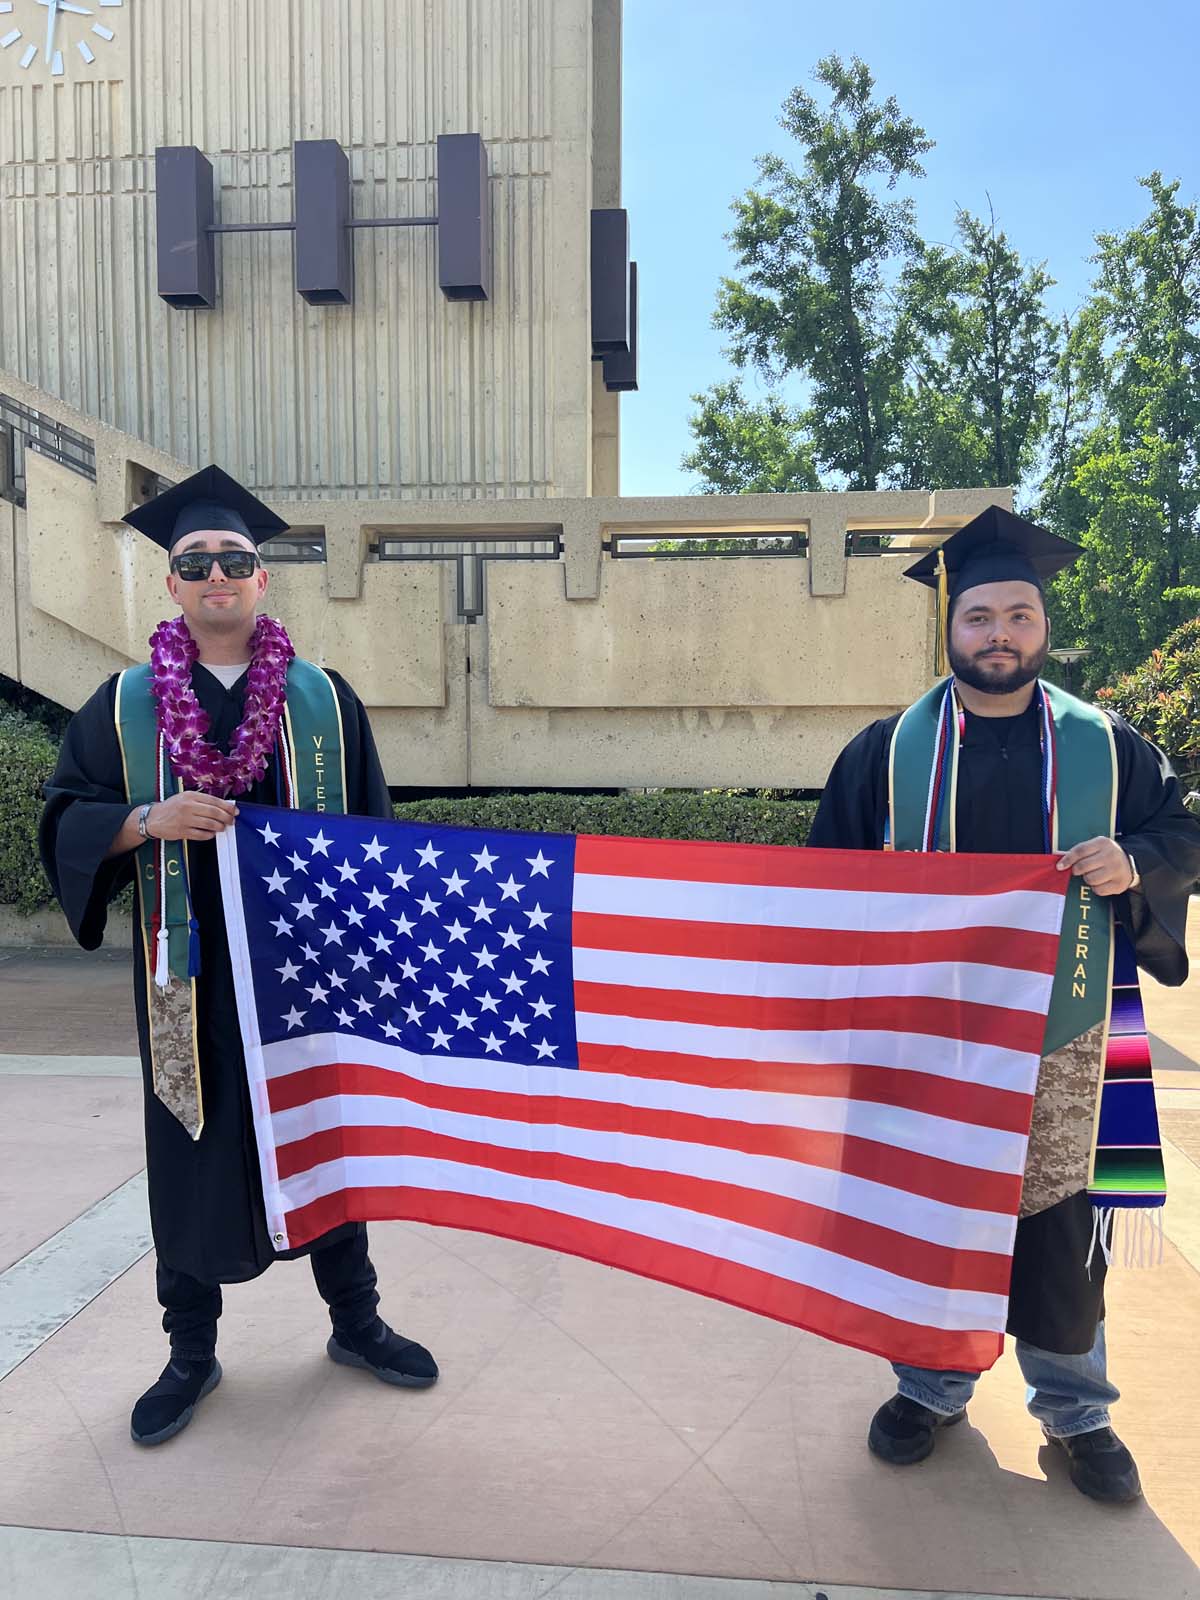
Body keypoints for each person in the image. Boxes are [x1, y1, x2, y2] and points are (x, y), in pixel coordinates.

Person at [40, 465, 438, 1447]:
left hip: (306, 974)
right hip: (187, 975)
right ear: (170, 585)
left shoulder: (321, 700)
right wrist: (147, 818)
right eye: (196, 563)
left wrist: (378, 965)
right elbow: (67, 817)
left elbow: (375, 838)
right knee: (188, 1142)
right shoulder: (124, 703)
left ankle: (356, 1321)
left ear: (263, 578)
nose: (217, 575)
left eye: (235, 559)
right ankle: (190, 1351)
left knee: (323, 1142)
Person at [809, 504, 1200, 1505]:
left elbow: (1180, 837)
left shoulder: (1106, 749)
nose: (999, 634)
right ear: (950, 625)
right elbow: (821, 887)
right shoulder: (885, 752)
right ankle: (930, 1385)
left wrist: (1136, 861)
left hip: (1058, 1039)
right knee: (932, 1215)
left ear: (1042, 627)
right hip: (926, 1042)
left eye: (1019, 615)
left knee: (1062, 1229)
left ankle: (1078, 1412)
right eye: (980, 614)